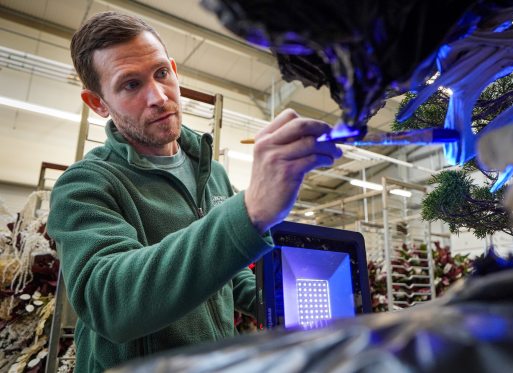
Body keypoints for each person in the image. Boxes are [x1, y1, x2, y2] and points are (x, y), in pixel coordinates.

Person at [46, 11, 341, 373]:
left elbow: (231, 276)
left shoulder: (211, 173)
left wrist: (289, 304)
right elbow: (111, 302)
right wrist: (248, 211)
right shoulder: (85, 185)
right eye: (130, 85)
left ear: (173, 69)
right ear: (98, 103)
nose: (157, 96)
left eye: (161, 73)